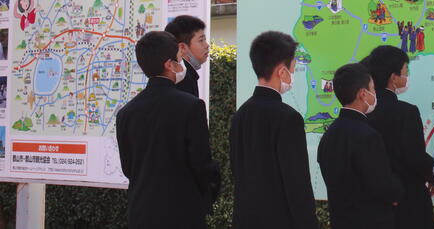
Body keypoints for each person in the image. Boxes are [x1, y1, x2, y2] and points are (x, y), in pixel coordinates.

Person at [115, 31, 220, 229]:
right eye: (180, 58)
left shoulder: (126, 113)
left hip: (141, 213)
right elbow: (202, 164)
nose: (183, 64)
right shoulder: (192, 106)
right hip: (182, 213)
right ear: (169, 65)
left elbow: (128, 168)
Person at [229, 31, 318, 229]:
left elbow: (237, 171)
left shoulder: (240, 115)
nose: (293, 74)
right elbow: (297, 183)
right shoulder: (289, 118)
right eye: (293, 68)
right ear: (282, 72)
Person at [317, 63, 403, 229]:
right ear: (363, 94)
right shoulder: (368, 136)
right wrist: (397, 191)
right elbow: (382, 185)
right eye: (373, 89)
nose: (375, 94)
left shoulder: (329, 135)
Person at [361, 45, 434, 229]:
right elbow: (415, 156)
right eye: (405, 71)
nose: (407, 76)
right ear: (393, 78)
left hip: (372, 205)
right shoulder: (406, 112)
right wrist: (433, 176)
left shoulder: (362, 112)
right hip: (408, 202)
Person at [165, 15, 209, 97]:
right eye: (201, 40)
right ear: (182, 48)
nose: (207, 45)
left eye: (205, 40)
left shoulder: (176, 74)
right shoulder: (182, 78)